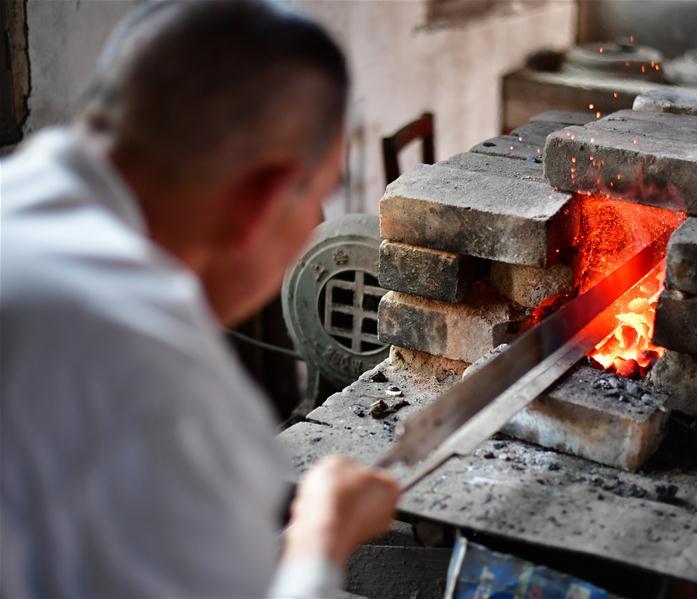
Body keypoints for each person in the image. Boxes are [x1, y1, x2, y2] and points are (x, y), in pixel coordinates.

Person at [0, 1, 401, 597]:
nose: (315, 224)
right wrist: (322, 539)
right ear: (258, 203)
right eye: (318, 197)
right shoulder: (165, 388)